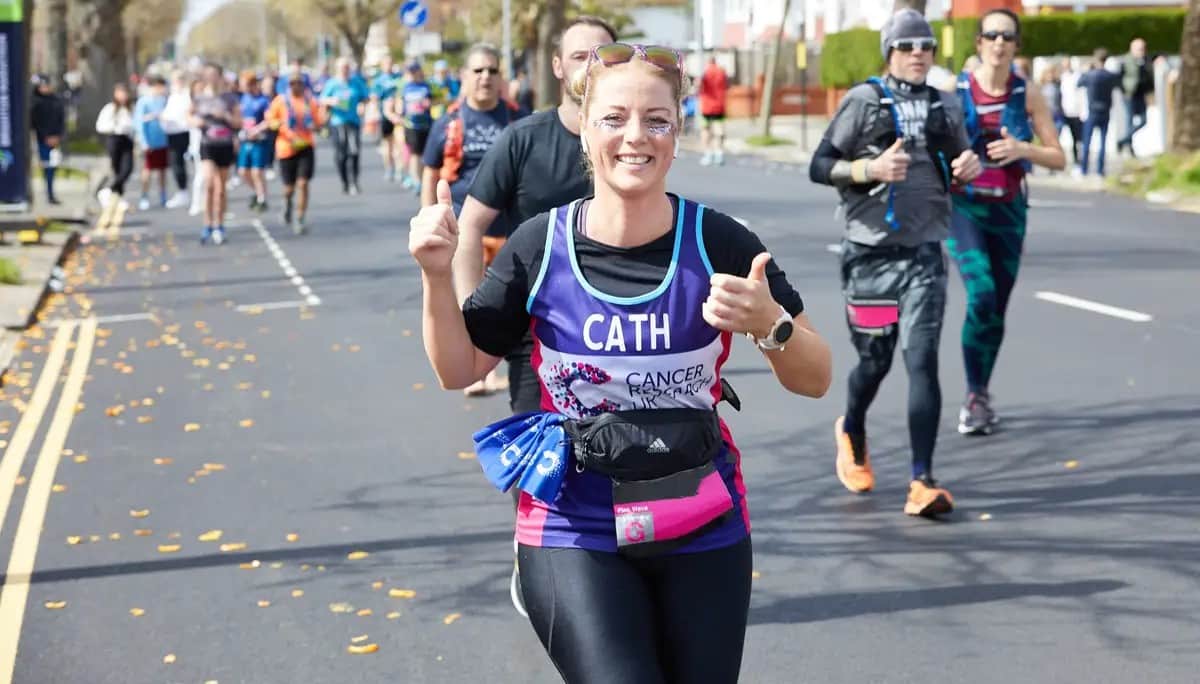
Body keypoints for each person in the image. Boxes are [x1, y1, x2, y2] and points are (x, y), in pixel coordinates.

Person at [410, 41, 832, 684]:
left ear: (677, 131)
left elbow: (816, 377)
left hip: (700, 513)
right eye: (614, 118)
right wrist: (436, 277)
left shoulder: (719, 242)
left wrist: (768, 325)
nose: (635, 137)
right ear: (585, 127)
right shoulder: (538, 245)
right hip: (572, 523)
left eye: (656, 120)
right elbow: (458, 368)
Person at [451, 15, 616, 618]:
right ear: (557, 67)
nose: (591, 67)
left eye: (602, 55)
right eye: (579, 57)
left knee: (622, 452)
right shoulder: (522, 140)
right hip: (536, 335)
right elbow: (470, 228)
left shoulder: (629, 143)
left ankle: (606, 562)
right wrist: (478, 327)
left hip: (620, 331)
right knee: (544, 454)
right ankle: (534, 559)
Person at [808, 9, 981, 517]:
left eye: (925, 46)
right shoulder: (862, 101)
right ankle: (853, 427)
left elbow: (960, 162)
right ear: (889, 52)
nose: (917, 55)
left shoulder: (944, 106)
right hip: (870, 258)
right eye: (907, 47)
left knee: (921, 360)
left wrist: (969, 167)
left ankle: (922, 480)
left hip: (926, 254)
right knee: (876, 361)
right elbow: (819, 165)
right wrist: (870, 167)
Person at [948, 9, 1065, 435]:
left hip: (1009, 210)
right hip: (965, 209)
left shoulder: (1027, 93)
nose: (1000, 43)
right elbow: (931, 146)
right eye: (992, 35)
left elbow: (1059, 156)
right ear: (979, 42)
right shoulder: (955, 90)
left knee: (996, 307)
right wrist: (953, 166)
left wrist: (1022, 149)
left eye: (1008, 36)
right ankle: (973, 397)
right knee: (980, 293)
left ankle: (980, 393)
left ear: (1016, 45)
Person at [421, 43, 525, 397]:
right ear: (464, 78)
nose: (485, 77)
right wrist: (429, 219)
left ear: (501, 78)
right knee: (475, 306)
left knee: (517, 310)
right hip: (466, 234)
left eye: (492, 71)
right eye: (478, 71)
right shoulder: (450, 122)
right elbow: (432, 171)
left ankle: (520, 373)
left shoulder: (518, 120)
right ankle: (477, 374)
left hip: (513, 233)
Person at [190, 62, 241, 245]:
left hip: (225, 145)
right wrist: (196, 121)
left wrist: (225, 116)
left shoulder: (229, 99)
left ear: (220, 77)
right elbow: (188, 116)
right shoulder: (199, 98)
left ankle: (219, 225)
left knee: (220, 189)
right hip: (207, 144)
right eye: (208, 74)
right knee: (209, 184)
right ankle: (207, 224)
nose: (211, 78)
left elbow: (238, 122)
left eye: (214, 74)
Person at [267, 74, 324, 234]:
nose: (296, 86)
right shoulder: (280, 101)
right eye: (292, 84)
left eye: (299, 83)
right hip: (286, 148)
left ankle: (300, 217)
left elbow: (319, 124)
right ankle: (287, 202)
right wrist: (279, 123)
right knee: (289, 188)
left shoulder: (309, 102)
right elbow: (270, 121)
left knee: (303, 183)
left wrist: (316, 125)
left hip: (305, 146)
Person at [319, 57, 370, 195]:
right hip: (337, 122)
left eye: (347, 67)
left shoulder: (356, 82)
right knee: (341, 154)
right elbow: (321, 99)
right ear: (337, 69)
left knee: (354, 152)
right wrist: (331, 101)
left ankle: (354, 181)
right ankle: (345, 181)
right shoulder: (332, 83)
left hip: (353, 121)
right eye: (342, 67)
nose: (345, 70)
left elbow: (366, 97)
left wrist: (362, 105)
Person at [1077, 49, 1121, 177]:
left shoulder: (1089, 75)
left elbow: (1079, 83)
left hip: (1092, 111)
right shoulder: (1110, 76)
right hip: (1105, 110)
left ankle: (1084, 169)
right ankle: (1100, 170)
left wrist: (1086, 69)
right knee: (1103, 143)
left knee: (1087, 142)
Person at [95, 82, 136, 209]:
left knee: (127, 168)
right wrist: (115, 126)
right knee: (117, 169)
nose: (123, 96)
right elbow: (100, 126)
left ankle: (109, 190)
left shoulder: (131, 108)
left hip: (127, 139)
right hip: (114, 139)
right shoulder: (110, 108)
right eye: (120, 93)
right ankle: (117, 196)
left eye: (125, 93)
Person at [237, 71, 273, 212]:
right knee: (242, 172)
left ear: (252, 84)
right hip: (246, 140)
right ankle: (258, 192)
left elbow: (269, 120)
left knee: (257, 172)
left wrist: (257, 130)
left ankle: (262, 198)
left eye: (244, 85)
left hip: (260, 140)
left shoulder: (263, 100)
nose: (242, 87)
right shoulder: (243, 99)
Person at [133, 75, 170, 210]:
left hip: (162, 141)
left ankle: (163, 195)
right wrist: (144, 142)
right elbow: (138, 122)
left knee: (162, 171)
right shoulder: (144, 102)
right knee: (147, 170)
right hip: (150, 141)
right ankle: (144, 196)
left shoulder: (163, 100)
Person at [29, 74, 66, 205]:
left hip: (55, 139)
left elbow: (62, 119)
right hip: (43, 140)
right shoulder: (34, 102)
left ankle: (51, 194)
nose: (46, 88)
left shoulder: (56, 100)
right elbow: (35, 123)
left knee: (53, 167)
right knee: (46, 167)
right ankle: (48, 194)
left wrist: (59, 136)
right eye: (43, 85)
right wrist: (46, 136)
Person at [399, 61, 435, 195]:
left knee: (426, 154)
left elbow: (431, 102)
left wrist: (426, 104)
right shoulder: (405, 87)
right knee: (415, 154)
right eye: (410, 72)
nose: (413, 74)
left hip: (426, 124)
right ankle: (417, 181)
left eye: (415, 71)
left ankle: (425, 179)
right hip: (411, 125)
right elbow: (400, 105)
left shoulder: (426, 86)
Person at [161, 71, 193, 208]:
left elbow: (185, 115)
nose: (175, 83)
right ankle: (182, 191)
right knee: (176, 163)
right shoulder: (172, 96)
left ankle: (184, 192)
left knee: (180, 163)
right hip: (172, 133)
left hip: (183, 132)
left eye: (177, 80)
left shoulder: (186, 96)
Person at [1118, 38, 1153, 157]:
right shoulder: (1126, 60)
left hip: (1140, 95)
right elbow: (1120, 77)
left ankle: (1123, 140)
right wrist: (1124, 91)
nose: (1142, 51)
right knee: (1129, 120)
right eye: (1139, 49)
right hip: (1130, 94)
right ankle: (1129, 148)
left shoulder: (1145, 60)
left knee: (1143, 121)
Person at [371, 55, 402, 182]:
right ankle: (389, 168)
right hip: (385, 115)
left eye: (390, 63)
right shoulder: (378, 80)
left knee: (399, 144)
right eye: (386, 63)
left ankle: (400, 170)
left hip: (399, 115)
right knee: (388, 144)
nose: (389, 65)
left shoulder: (398, 78)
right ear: (382, 65)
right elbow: (374, 97)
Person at [698, 56, 728, 166]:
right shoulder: (722, 72)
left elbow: (699, 86)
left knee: (705, 130)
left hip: (706, 107)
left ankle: (708, 154)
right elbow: (727, 85)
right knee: (719, 130)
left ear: (708, 62)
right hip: (719, 106)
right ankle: (719, 154)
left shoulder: (705, 73)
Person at [1059, 58, 1084, 169]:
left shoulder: (1076, 77)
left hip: (1074, 112)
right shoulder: (1060, 78)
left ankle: (1076, 160)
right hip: (1063, 112)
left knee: (1076, 138)